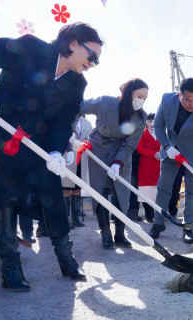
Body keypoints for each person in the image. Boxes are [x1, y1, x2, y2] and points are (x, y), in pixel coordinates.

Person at [0, 22, 103, 291]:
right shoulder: (28, 47)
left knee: (52, 195)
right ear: (73, 43)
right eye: (92, 55)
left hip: (34, 145)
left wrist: (55, 151)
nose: (93, 63)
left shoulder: (77, 82)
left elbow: (62, 122)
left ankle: (65, 257)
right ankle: (10, 265)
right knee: (4, 197)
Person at [150, 77, 193, 244]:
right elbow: (158, 126)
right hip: (171, 149)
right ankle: (158, 223)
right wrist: (167, 146)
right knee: (164, 187)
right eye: (188, 100)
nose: (192, 104)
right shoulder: (167, 100)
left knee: (192, 190)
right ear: (180, 95)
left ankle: (188, 226)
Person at [80, 78, 147, 249]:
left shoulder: (140, 116)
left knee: (122, 194)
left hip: (122, 154)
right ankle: (106, 234)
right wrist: (72, 131)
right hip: (99, 150)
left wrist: (118, 163)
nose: (142, 101)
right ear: (128, 92)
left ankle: (120, 233)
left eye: (145, 98)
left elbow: (130, 144)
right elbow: (78, 106)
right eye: (139, 96)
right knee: (100, 192)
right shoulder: (105, 102)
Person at [61, 115, 93, 228]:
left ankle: (76, 217)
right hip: (68, 156)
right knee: (66, 187)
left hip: (81, 157)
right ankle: (65, 218)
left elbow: (90, 137)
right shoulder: (67, 118)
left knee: (77, 187)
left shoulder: (87, 123)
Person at [136, 113, 161, 222]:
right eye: (149, 121)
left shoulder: (161, 133)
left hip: (158, 165)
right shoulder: (142, 133)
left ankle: (157, 215)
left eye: (153, 121)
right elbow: (140, 149)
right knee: (146, 190)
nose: (152, 124)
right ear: (145, 122)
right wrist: (154, 154)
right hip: (146, 164)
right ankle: (149, 215)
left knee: (157, 191)